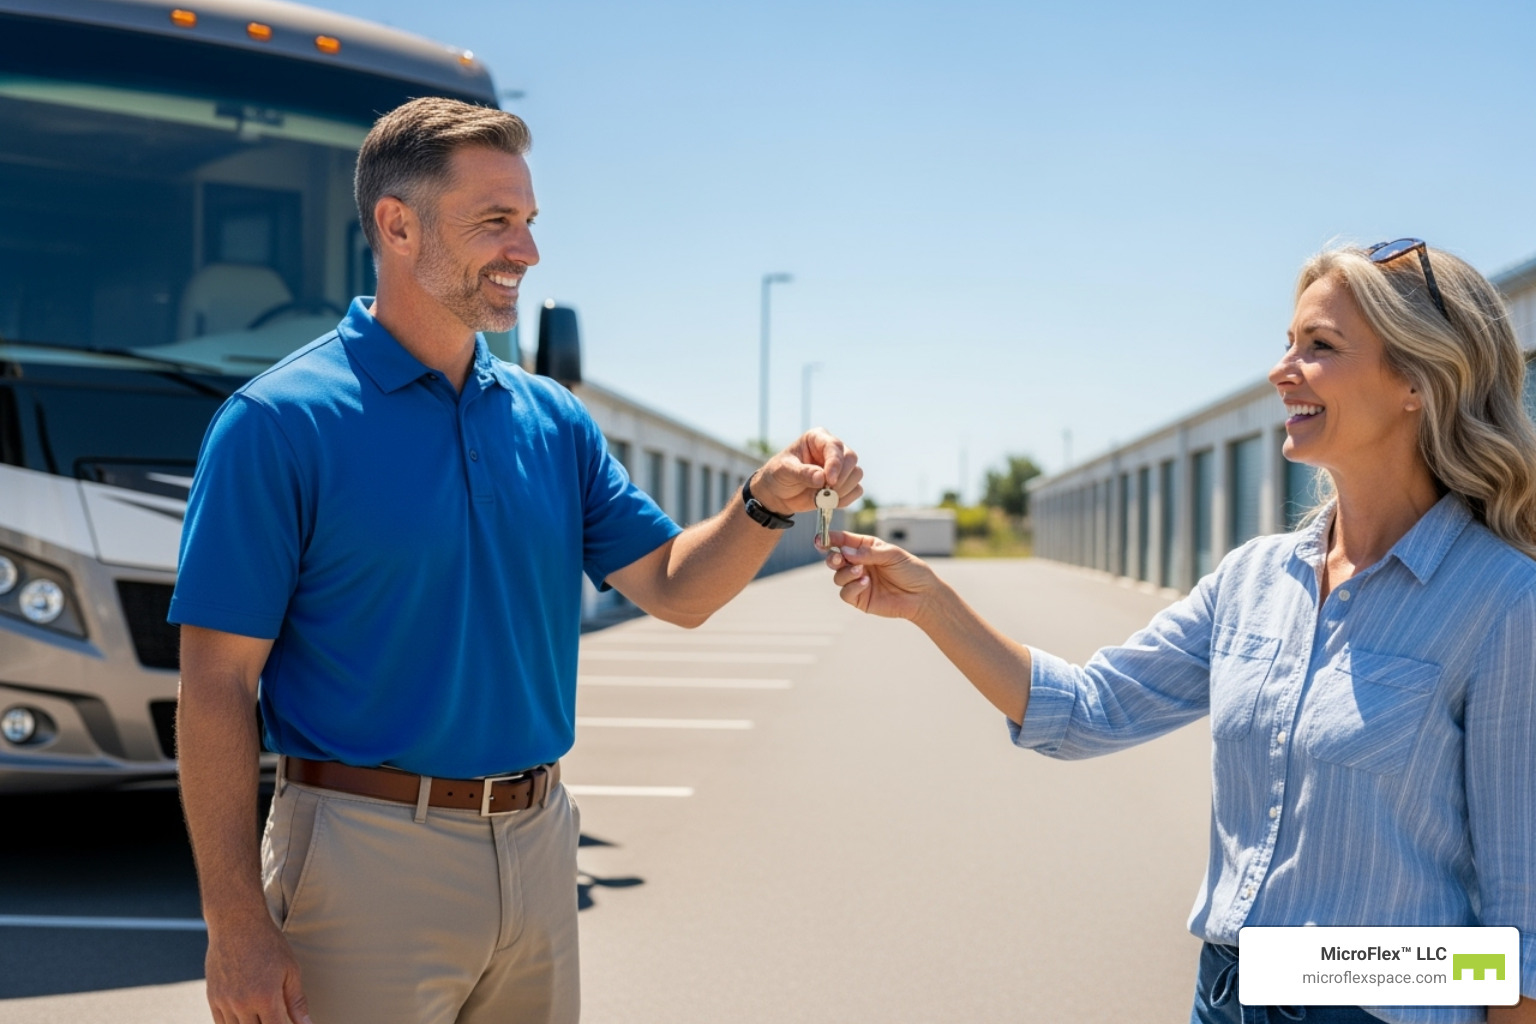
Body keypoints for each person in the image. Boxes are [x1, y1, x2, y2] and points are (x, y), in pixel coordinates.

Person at [171, 96, 861, 1024]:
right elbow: (215, 684)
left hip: (538, 850)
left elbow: (675, 589)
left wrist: (763, 503)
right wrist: (234, 924)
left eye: (529, 222)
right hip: (361, 858)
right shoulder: (277, 425)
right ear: (397, 224)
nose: (526, 251)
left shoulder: (554, 421)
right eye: (495, 221)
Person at [820, 240, 1536, 1024]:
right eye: (1288, 342)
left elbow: (1523, 922)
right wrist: (931, 605)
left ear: (1418, 382)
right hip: (1225, 996)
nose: (1281, 369)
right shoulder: (1253, 580)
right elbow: (1087, 711)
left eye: (1320, 347)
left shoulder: (1504, 601)